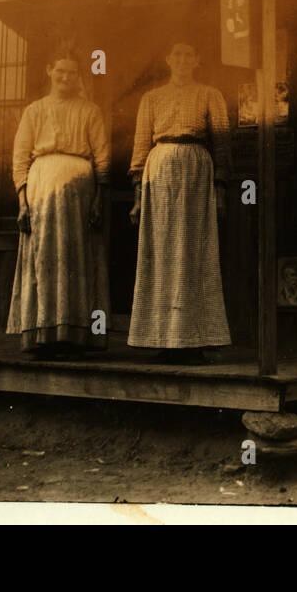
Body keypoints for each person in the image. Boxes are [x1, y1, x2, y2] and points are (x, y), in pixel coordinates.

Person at [128, 40, 232, 364]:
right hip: (159, 173)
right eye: (177, 54)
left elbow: (222, 145)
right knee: (161, 254)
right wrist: (137, 198)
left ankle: (193, 340)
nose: (183, 60)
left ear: (197, 60)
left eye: (189, 54)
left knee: (193, 253)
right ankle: (163, 338)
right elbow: (140, 148)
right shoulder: (151, 98)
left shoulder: (210, 94)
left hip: (196, 172)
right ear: (168, 59)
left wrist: (221, 190)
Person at [7, 49, 111, 357]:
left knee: (76, 258)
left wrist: (98, 198)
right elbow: (20, 158)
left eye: (72, 72)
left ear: (79, 76)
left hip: (80, 192)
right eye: (60, 71)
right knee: (43, 257)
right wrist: (23, 203)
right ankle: (42, 334)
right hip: (41, 190)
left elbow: (102, 157)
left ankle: (76, 336)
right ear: (49, 71)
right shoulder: (34, 111)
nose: (66, 77)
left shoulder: (90, 111)